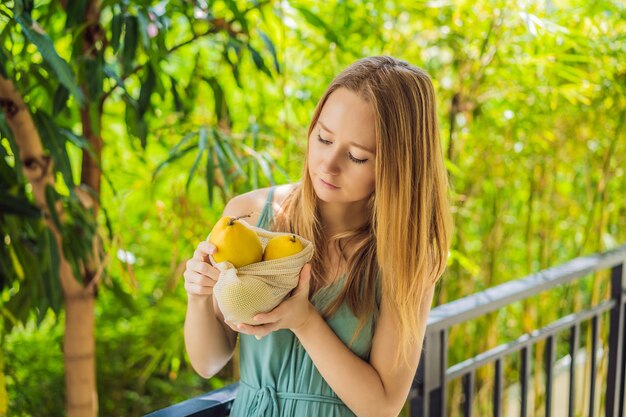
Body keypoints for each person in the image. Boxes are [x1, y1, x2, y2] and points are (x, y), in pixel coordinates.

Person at [183, 55, 452, 417]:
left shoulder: (406, 253)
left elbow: (383, 406)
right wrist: (199, 296)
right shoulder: (248, 216)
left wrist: (305, 321)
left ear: (397, 166)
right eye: (323, 138)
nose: (328, 164)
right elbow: (208, 362)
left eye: (357, 157)